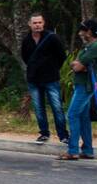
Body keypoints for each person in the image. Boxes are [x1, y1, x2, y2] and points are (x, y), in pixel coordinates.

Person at [60, 19, 97, 162]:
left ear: (89, 32)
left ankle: (72, 151)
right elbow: (78, 64)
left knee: (72, 115)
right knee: (84, 118)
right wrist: (79, 65)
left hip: (86, 86)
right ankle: (87, 150)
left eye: (82, 30)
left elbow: (78, 67)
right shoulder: (90, 46)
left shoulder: (96, 46)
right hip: (81, 85)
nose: (80, 32)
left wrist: (78, 65)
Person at [20, 12, 69, 145]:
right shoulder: (27, 40)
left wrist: (52, 68)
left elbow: (62, 56)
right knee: (38, 108)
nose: (37, 25)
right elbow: (25, 57)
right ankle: (44, 133)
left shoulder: (52, 38)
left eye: (39, 22)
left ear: (44, 23)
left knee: (57, 107)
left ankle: (63, 135)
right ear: (30, 24)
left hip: (51, 78)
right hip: (34, 79)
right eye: (35, 23)